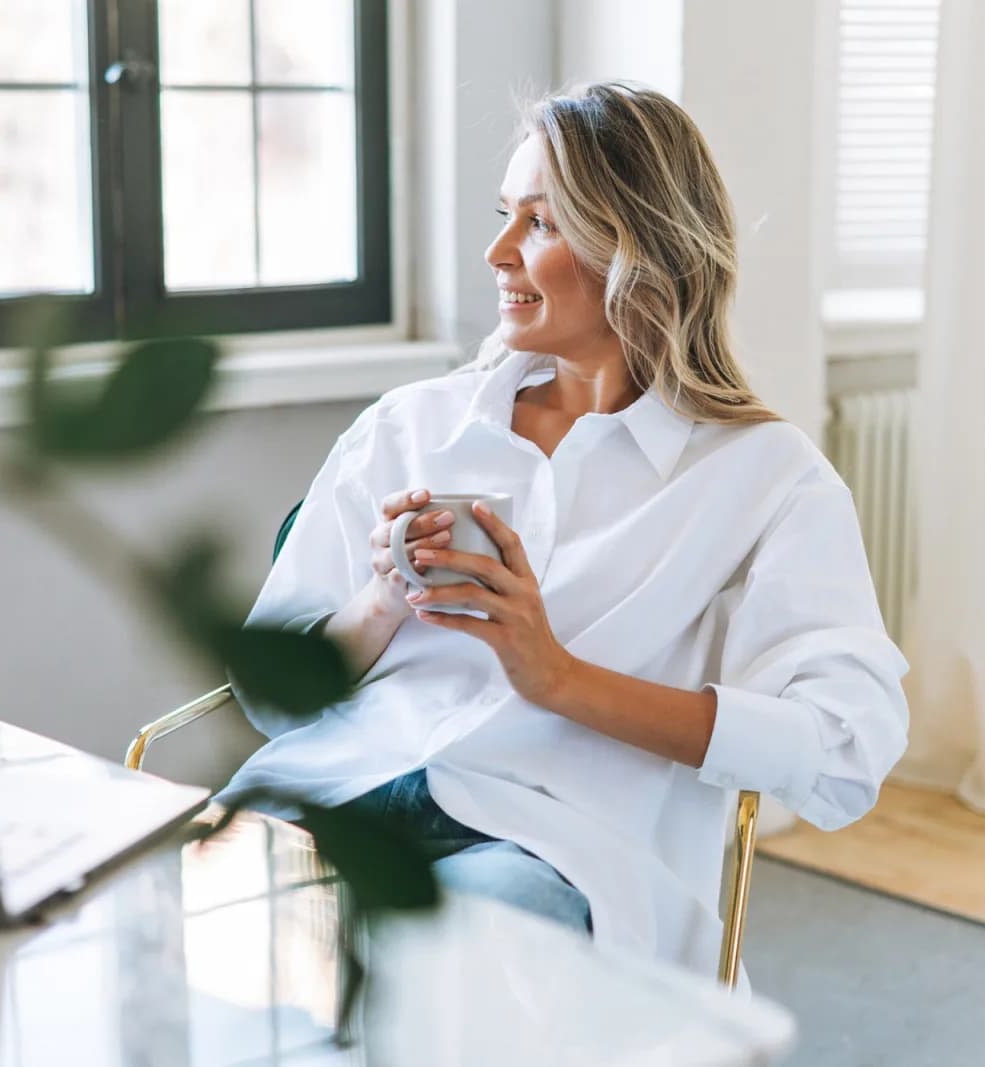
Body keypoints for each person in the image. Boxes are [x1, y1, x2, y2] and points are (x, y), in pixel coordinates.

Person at [214, 82, 909, 979]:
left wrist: (557, 676)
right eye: (506, 215)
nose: (498, 251)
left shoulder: (765, 481)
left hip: (550, 848)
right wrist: (385, 597)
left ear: (639, 249)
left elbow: (845, 751)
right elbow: (273, 700)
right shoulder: (406, 427)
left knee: (426, 969)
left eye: (539, 223)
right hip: (333, 791)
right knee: (184, 921)